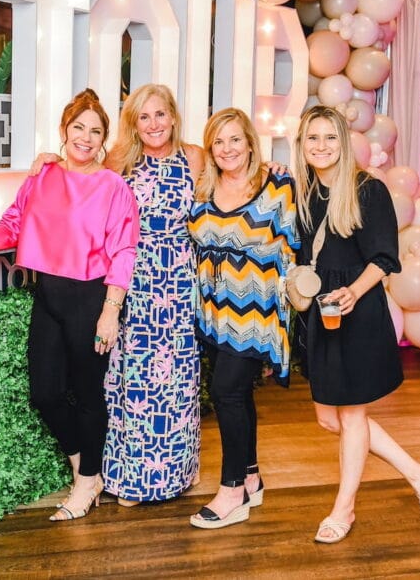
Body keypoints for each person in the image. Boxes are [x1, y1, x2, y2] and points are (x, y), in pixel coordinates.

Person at [0, 89, 139, 522]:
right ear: (65, 130)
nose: (85, 137)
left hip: (90, 297)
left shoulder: (113, 186)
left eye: (95, 131)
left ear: (104, 139)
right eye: (78, 127)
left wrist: (110, 309)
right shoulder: (42, 176)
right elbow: (15, 223)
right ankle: (86, 469)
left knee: (87, 395)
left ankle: (86, 481)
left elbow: (124, 250)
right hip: (47, 295)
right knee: (44, 393)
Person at [291, 104, 420, 544]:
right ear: (302, 143)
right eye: (312, 138)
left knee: (353, 416)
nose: (321, 147)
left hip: (355, 311)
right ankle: (419, 472)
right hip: (320, 313)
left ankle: (344, 509)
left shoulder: (366, 190)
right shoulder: (303, 191)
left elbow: (384, 258)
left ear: (344, 141)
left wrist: (354, 292)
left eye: (330, 138)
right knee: (328, 417)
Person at [186, 107, 298, 529]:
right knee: (238, 395)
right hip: (214, 310)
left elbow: (292, 248)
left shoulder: (277, 183)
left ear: (251, 142)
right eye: (218, 141)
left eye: (235, 139)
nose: (227, 148)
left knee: (226, 391)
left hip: (257, 308)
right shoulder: (204, 187)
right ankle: (251, 477)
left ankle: (231, 489)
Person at [99, 84, 205, 506]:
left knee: (179, 378)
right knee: (135, 377)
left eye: (160, 114)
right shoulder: (119, 160)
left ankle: (177, 473)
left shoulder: (195, 157)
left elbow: (238, 176)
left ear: (174, 117)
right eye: (144, 117)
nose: (154, 124)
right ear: (134, 123)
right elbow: (82, 179)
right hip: (135, 279)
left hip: (179, 279)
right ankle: (133, 480)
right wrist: (47, 160)